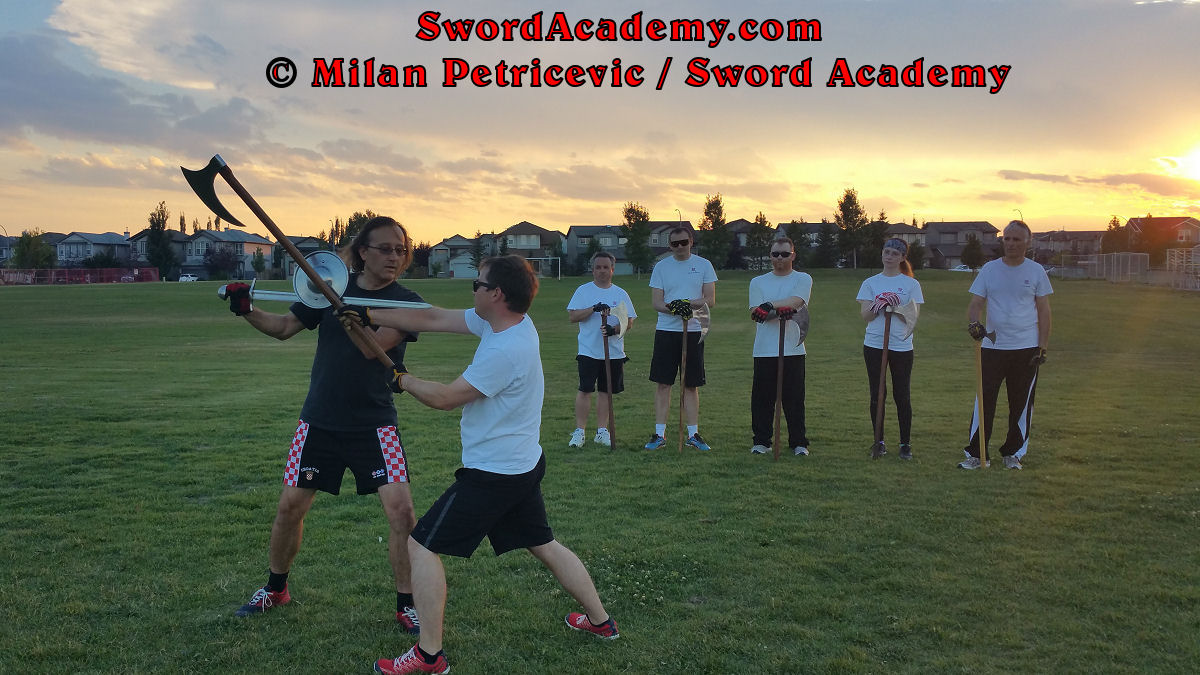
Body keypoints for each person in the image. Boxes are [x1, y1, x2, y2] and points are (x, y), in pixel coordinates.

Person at [337, 255, 618, 675]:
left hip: (495, 474)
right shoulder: (505, 322)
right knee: (542, 543)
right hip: (523, 463)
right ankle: (601, 622)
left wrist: (401, 378)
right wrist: (367, 310)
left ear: (497, 294)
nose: (473, 289)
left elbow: (446, 398)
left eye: (477, 283)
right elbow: (432, 317)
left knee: (421, 545)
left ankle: (429, 655)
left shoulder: (506, 348)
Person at [223, 216, 424, 634]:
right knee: (289, 508)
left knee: (403, 514)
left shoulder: (406, 302)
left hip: (376, 425)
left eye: (401, 250)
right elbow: (283, 327)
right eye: (385, 248)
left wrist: (354, 315)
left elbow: (375, 348)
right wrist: (247, 309)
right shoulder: (328, 285)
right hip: (319, 421)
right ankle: (276, 588)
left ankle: (407, 604)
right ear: (363, 251)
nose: (394, 257)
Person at [960, 220, 1052, 470]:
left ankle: (1013, 453)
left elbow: (1044, 311)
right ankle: (977, 454)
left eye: (1017, 239)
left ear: (1028, 242)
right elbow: (976, 303)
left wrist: (1042, 347)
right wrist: (974, 324)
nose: (1011, 243)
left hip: (1026, 348)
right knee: (984, 400)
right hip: (992, 347)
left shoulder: (1036, 272)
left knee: (1020, 403)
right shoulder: (990, 270)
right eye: (1007, 238)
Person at [645, 225, 718, 451]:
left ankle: (693, 434)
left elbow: (710, 299)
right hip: (667, 331)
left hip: (694, 329)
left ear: (691, 241)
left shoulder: (703, 265)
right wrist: (674, 308)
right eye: (674, 244)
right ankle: (659, 435)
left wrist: (687, 304)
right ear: (670, 245)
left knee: (691, 384)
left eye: (683, 242)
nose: (679, 247)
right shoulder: (661, 267)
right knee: (663, 383)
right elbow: (657, 302)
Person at [855, 238, 925, 459]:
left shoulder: (911, 285)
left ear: (903, 257)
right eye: (887, 252)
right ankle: (879, 441)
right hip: (874, 344)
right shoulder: (870, 283)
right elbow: (865, 316)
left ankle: (905, 444)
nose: (889, 256)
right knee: (877, 394)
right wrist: (878, 305)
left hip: (901, 346)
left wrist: (895, 306)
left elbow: (912, 318)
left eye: (895, 253)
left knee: (902, 395)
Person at [748, 237, 813, 456]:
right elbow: (756, 313)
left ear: (793, 255)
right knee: (762, 399)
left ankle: (798, 442)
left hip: (793, 348)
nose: (780, 259)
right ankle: (761, 441)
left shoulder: (803, 278)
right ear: (770, 256)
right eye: (775, 254)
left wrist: (770, 306)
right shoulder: (757, 282)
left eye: (785, 254)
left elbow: (797, 302)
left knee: (794, 399)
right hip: (764, 348)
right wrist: (771, 310)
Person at [565, 251, 637, 448]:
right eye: (598, 267)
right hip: (589, 350)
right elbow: (573, 316)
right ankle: (579, 432)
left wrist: (614, 330)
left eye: (606, 267)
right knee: (585, 390)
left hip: (613, 352)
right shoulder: (583, 291)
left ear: (612, 270)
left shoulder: (620, 293)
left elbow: (628, 321)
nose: (602, 271)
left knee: (606, 392)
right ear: (593, 270)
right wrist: (593, 308)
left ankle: (602, 431)